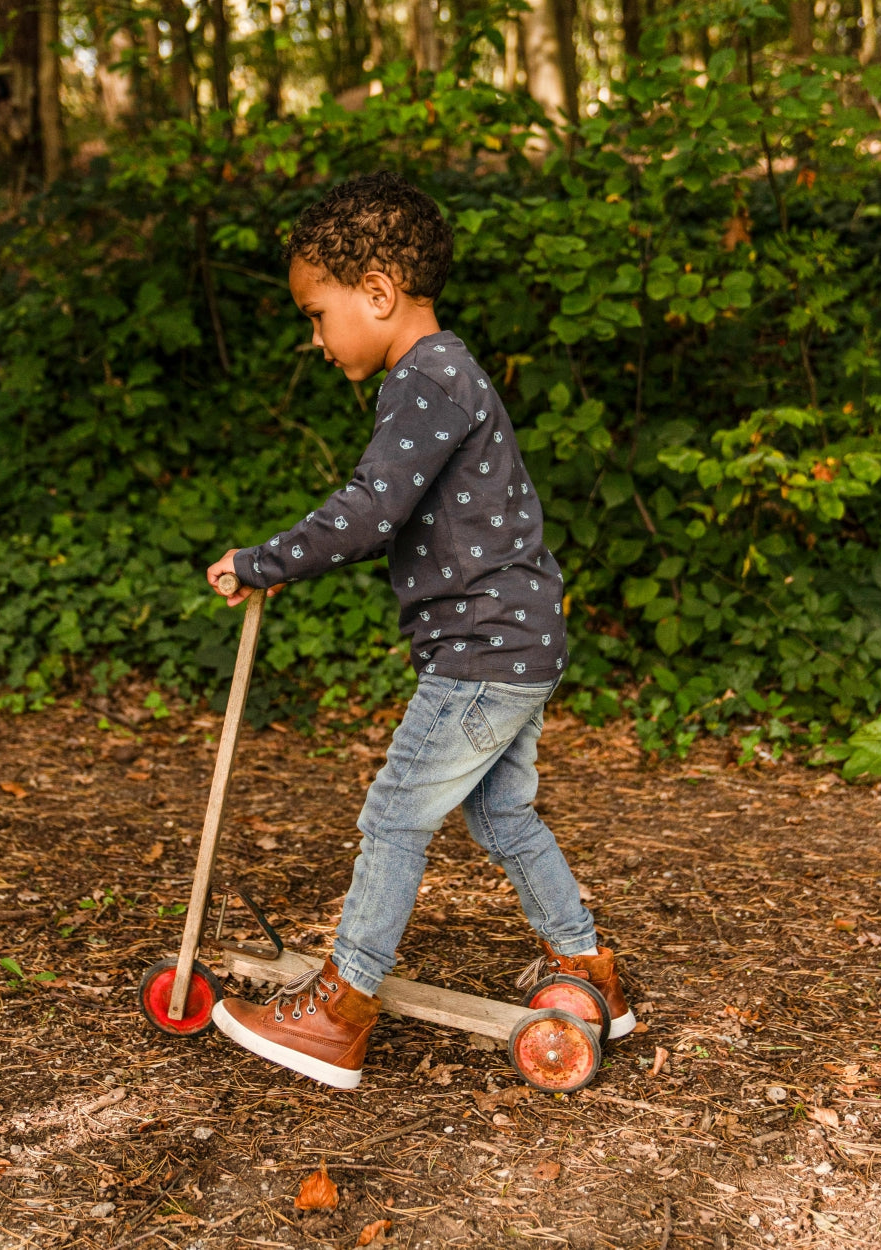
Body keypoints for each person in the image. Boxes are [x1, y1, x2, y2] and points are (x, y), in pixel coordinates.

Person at [205, 171, 634, 1090]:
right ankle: (588, 971)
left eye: (318, 313)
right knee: (499, 810)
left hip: (482, 650)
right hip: (517, 639)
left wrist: (266, 559)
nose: (314, 337)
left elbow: (372, 512)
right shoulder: (449, 375)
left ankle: (340, 1008)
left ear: (378, 294)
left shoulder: (428, 377)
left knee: (396, 814)